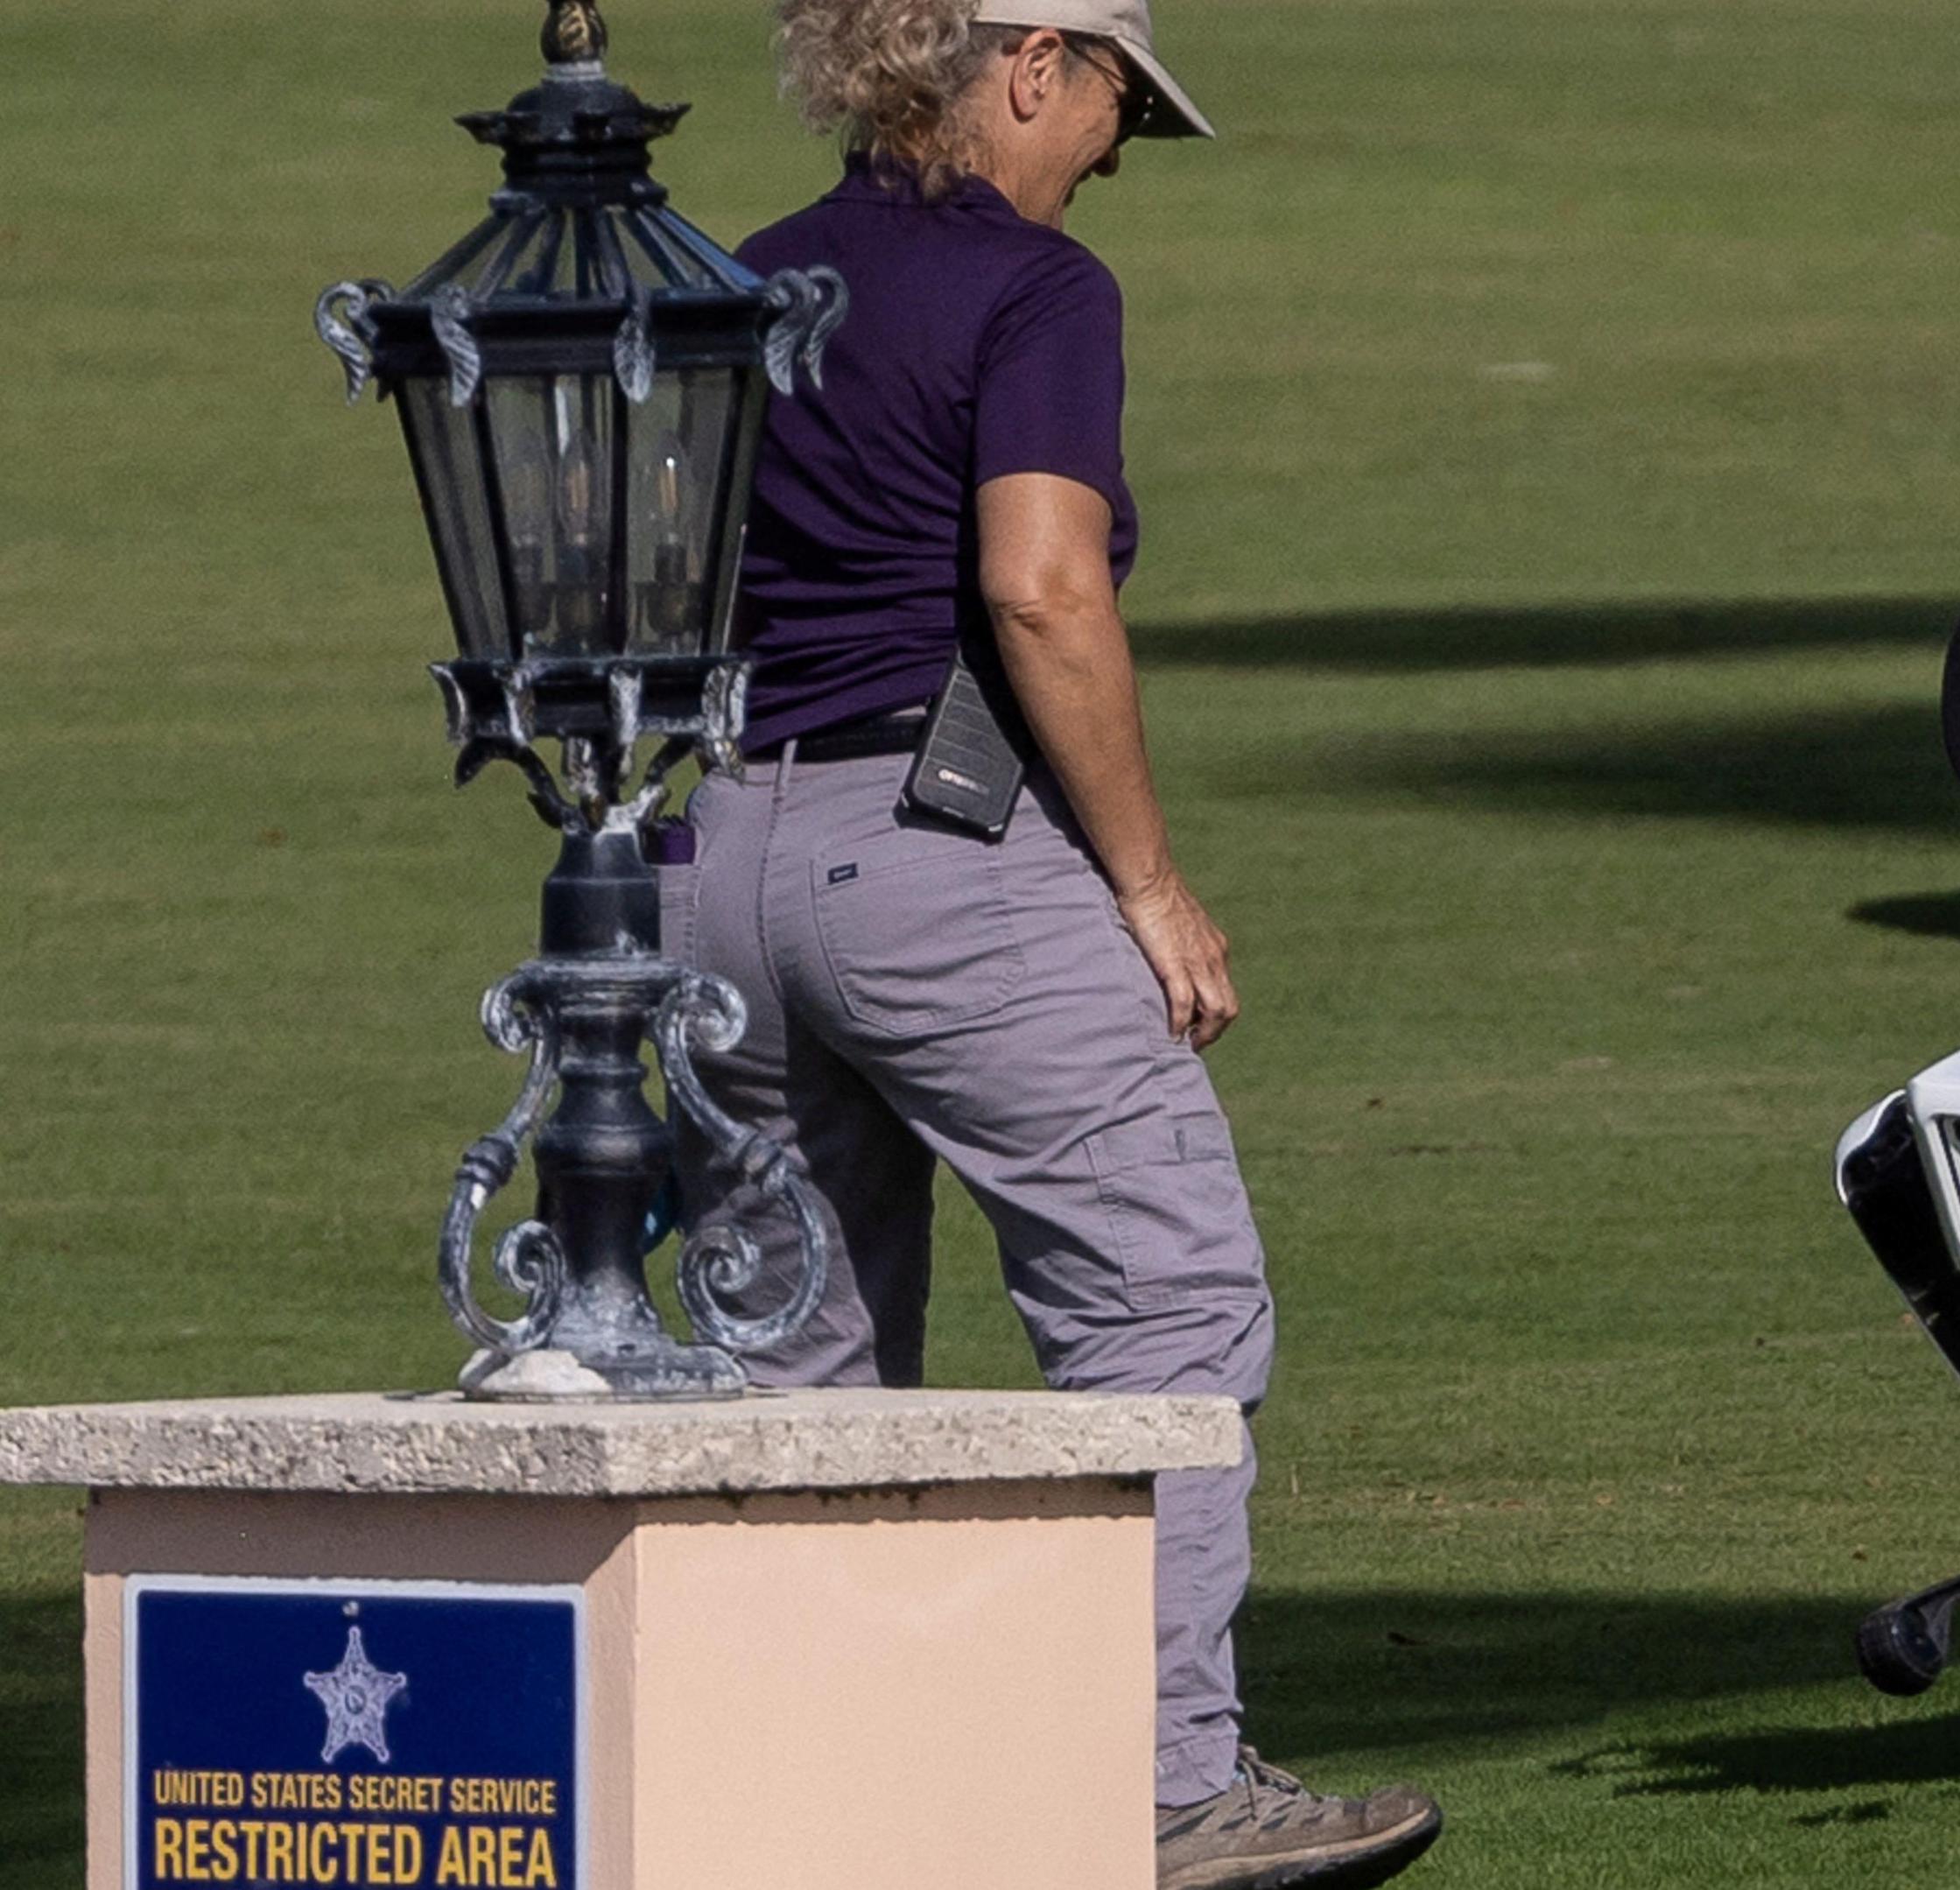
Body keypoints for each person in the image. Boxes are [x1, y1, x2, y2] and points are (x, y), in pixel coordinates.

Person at [663, 3, 1441, 1885]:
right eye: (1111, 104)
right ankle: (1165, 1787)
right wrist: (1150, 880)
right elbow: (1037, 581)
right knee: (1168, 1306)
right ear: (1026, 67)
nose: (1110, 153)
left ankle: (809, 1801)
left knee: (796, 1366)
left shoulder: (743, 278)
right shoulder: (1036, 293)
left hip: (704, 869)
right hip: (940, 862)